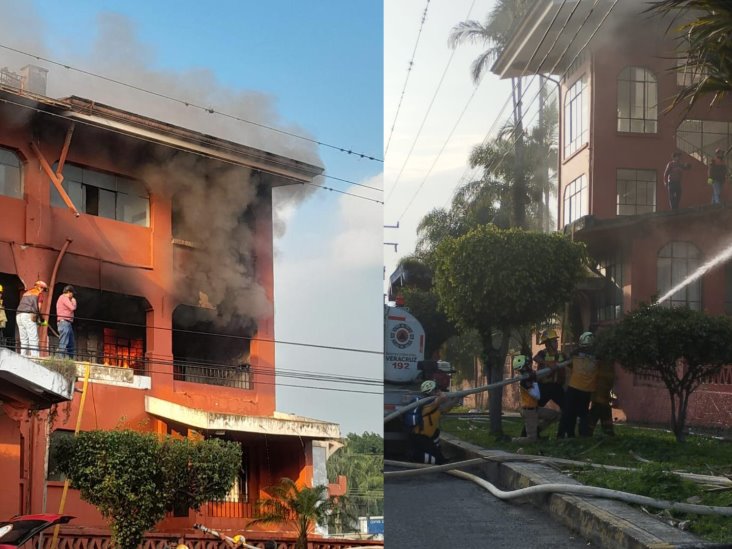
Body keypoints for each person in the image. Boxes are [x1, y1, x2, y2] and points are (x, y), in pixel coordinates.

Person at [559, 331, 599, 438]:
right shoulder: (597, 356)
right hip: (587, 390)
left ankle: (565, 434)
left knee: (568, 411)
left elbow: (569, 358)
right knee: (583, 413)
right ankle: (584, 435)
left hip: (574, 387)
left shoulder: (576, 353)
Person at [513, 355, 559, 443]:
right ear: (524, 367)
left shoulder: (530, 376)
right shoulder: (525, 381)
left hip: (535, 409)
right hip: (529, 411)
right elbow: (537, 395)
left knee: (555, 415)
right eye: (528, 364)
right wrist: (534, 381)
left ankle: (537, 429)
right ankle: (513, 441)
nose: (530, 365)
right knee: (531, 439)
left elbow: (541, 375)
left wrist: (551, 369)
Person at [408, 380, 457, 464]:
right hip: (420, 438)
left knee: (440, 457)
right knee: (437, 461)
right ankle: (414, 455)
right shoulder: (427, 406)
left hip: (428, 437)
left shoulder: (435, 407)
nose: (438, 391)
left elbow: (447, 407)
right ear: (430, 392)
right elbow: (442, 398)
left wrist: (457, 398)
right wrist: (441, 393)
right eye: (436, 390)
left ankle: (439, 459)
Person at [16, 280, 48, 357]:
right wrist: (42, 319)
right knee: (33, 339)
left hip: (19, 315)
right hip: (28, 315)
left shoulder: (26, 293)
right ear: (40, 287)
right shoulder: (38, 293)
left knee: (24, 340)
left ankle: (22, 357)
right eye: (43, 289)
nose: (43, 291)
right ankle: (35, 360)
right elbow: (38, 309)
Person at [588, 359, 616, 436]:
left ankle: (588, 432)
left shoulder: (602, 364)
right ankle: (608, 432)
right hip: (601, 397)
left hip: (600, 397)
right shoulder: (607, 365)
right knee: (601, 414)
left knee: (595, 415)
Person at [56, 285, 77, 358]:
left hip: (68, 323)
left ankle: (71, 359)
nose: (72, 295)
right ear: (68, 292)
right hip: (64, 322)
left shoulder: (64, 298)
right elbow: (72, 307)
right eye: (72, 293)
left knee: (71, 342)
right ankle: (60, 358)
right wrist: (73, 301)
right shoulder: (63, 297)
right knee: (64, 341)